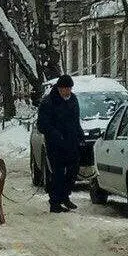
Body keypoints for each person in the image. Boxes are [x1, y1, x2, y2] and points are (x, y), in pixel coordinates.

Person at [37, 74, 84, 213]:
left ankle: (65, 196)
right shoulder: (49, 102)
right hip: (55, 145)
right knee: (57, 173)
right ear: (59, 88)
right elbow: (42, 125)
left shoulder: (73, 100)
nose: (67, 91)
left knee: (73, 171)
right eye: (65, 89)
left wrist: (80, 134)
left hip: (71, 142)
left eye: (69, 88)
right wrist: (54, 133)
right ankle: (55, 203)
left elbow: (76, 120)